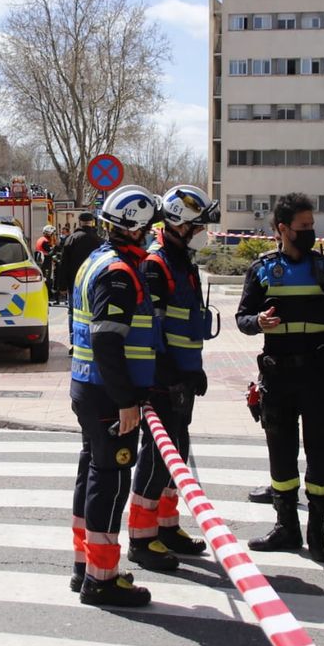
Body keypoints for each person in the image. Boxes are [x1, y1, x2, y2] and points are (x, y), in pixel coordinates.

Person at [235, 192, 324, 563]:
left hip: (319, 377)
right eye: (303, 226)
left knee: (319, 456)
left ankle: (318, 534)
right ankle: (286, 528)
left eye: (311, 226)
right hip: (277, 378)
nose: (310, 231)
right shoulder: (262, 269)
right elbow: (243, 318)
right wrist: (257, 323)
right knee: (281, 455)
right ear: (282, 229)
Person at [69, 185, 163, 608]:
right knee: (110, 480)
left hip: (89, 387)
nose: (151, 235)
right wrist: (127, 401)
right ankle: (102, 579)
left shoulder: (96, 261)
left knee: (92, 471)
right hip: (108, 395)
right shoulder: (120, 273)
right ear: (137, 228)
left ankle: (84, 567)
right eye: (149, 228)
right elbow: (108, 342)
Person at [127, 185, 217, 572]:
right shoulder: (156, 264)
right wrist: (170, 375)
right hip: (163, 378)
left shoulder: (183, 261)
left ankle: (166, 526)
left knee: (176, 450)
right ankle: (141, 537)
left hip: (182, 374)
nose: (201, 233)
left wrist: (193, 370)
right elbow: (152, 327)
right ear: (178, 224)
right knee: (157, 455)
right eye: (196, 226)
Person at [58, 211, 100, 304]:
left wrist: (62, 286)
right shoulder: (99, 240)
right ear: (92, 222)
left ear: (80, 222)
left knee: (72, 312)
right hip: (94, 283)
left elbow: (64, 264)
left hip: (74, 283)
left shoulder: (71, 239)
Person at [34, 225, 59, 301]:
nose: (53, 236)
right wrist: (55, 247)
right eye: (52, 234)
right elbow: (50, 253)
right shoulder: (45, 241)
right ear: (49, 233)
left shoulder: (41, 239)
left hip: (42, 262)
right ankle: (47, 296)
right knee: (46, 280)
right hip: (46, 263)